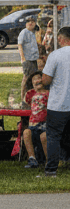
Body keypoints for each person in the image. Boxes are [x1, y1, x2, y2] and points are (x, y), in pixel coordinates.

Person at [40, 26, 70, 178]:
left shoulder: (55, 55)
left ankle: (51, 170)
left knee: (53, 137)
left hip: (59, 104)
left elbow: (46, 79)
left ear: (60, 39)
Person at [22, 71, 49, 169]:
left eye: (39, 78)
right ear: (32, 84)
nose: (37, 80)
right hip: (33, 124)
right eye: (34, 80)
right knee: (26, 133)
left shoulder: (49, 93)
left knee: (43, 137)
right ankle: (32, 158)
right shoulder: (30, 93)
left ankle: (49, 161)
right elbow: (25, 104)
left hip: (45, 124)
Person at [19, 15, 39, 97]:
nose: (30, 23)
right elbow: (20, 45)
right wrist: (23, 58)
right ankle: (23, 96)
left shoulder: (34, 33)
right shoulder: (24, 32)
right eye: (28, 21)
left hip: (34, 59)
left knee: (33, 78)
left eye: (33, 21)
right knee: (26, 78)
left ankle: (31, 95)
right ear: (26, 23)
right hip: (28, 60)